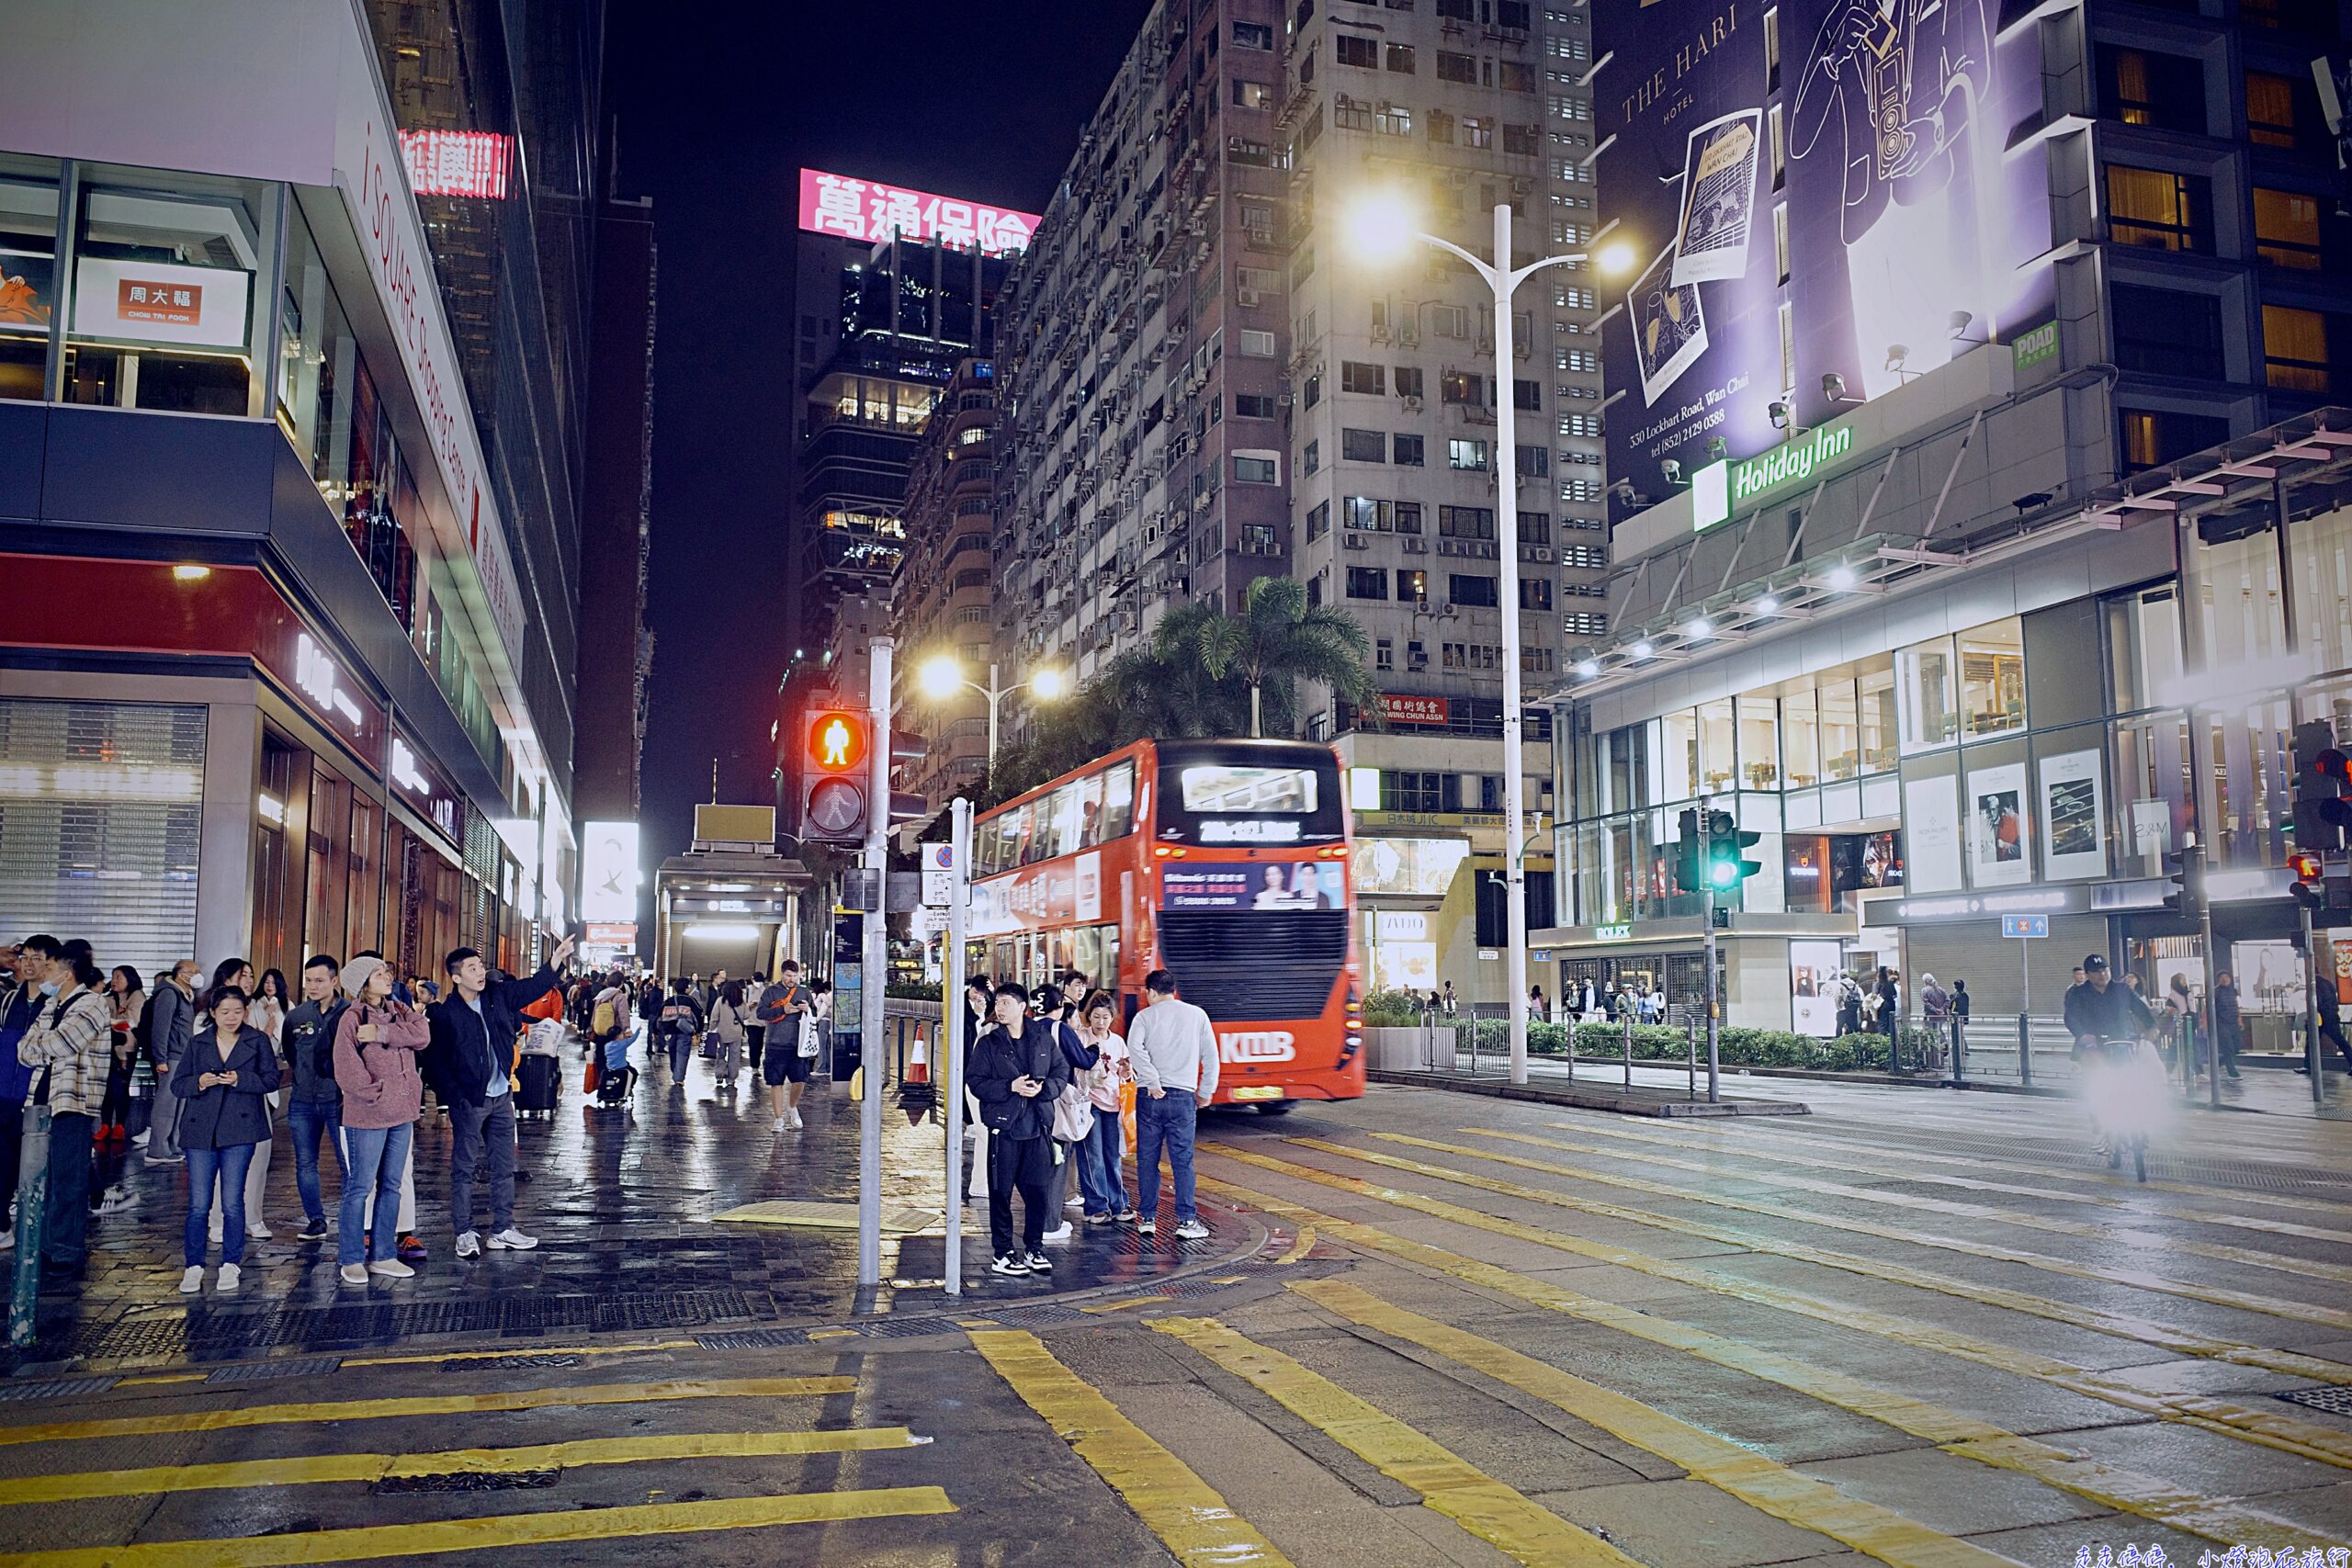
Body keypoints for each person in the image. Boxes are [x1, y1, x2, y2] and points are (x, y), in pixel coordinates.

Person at [424, 936, 571, 1258]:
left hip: (502, 1095)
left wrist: (556, 960)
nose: (480, 972)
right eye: (472, 968)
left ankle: (502, 1228)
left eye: (480, 965)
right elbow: (435, 1062)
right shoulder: (445, 1014)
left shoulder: (498, 996)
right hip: (470, 1100)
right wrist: (454, 1097)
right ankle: (463, 1231)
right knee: (463, 1168)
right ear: (456, 976)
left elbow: (534, 986)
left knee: (503, 1166)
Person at [171, 984, 280, 1293]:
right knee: (198, 1203)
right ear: (213, 1014)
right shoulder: (198, 1043)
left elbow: (272, 1079)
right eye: (224, 1012)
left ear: (245, 1012)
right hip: (200, 1129)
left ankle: (231, 1263)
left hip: (240, 1129)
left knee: (233, 1201)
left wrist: (241, 1079)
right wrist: (200, 1082)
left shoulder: (257, 1040)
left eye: (237, 1011)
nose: (231, 1017)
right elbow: (178, 1085)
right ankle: (193, 1264)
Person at [17, 936, 112, 1279]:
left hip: (73, 1103)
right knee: (42, 1179)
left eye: (51, 967)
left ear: (67, 972)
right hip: (41, 1103)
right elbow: (23, 1049)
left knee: (68, 1181)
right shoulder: (51, 1005)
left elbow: (61, 1042)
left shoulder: (93, 1004)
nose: (44, 972)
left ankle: (66, 1252)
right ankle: (44, 1246)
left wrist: (42, 1045)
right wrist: (43, 1045)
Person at [333, 955, 428, 1282]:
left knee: (392, 1185)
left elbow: (422, 1036)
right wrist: (374, 1093)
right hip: (368, 1115)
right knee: (360, 1186)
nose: (387, 977)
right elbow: (345, 1066)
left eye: (386, 972)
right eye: (378, 973)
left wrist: (383, 1033)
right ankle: (351, 1257)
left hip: (403, 1112)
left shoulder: (399, 1010)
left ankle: (384, 1253)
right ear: (363, 983)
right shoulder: (351, 1018)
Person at [969, 982, 1070, 1274]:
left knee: (1038, 1190)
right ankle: (1002, 1253)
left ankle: (1033, 1248)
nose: (999, 1009)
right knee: (1000, 1192)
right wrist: (1009, 1086)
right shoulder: (990, 1042)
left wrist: (1043, 1090)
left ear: (1022, 1007)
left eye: (1005, 1003)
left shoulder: (1042, 1037)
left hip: (1037, 1125)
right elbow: (975, 1081)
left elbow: (1061, 1071)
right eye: (997, 1003)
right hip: (1005, 1127)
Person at [1125, 968, 1217, 1240]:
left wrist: (1152, 1080)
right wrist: (1207, 1091)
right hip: (1182, 1096)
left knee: (1147, 1159)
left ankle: (1148, 1218)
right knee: (1182, 1162)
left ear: (1151, 992)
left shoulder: (1143, 1017)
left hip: (1150, 1098)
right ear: (1173, 989)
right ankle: (1187, 1221)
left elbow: (1135, 1050)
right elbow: (1210, 1056)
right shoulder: (1196, 1015)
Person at [202, 959, 275, 1243]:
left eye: (251, 975)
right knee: (222, 1163)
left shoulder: (256, 1008)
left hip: (253, 1097)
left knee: (258, 1159)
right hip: (216, 1101)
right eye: (242, 975)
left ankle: (253, 1217)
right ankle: (218, 1219)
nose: (249, 980)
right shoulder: (205, 1018)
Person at [280, 953, 348, 1242]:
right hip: (303, 1099)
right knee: (305, 1162)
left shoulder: (350, 1012)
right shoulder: (297, 1016)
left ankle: (350, 1220)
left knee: (348, 1163)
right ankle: (316, 1219)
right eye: (308, 980)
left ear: (335, 981)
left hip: (339, 1100)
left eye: (319, 980)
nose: (312, 986)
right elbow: (290, 1051)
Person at [2063, 954, 2155, 1151]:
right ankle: (2099, 1128)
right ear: (2088, 975)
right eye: (2096, 972)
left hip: (2122, 1043)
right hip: (2094, 1047)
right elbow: (2071, 1017)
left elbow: (2140, 1008)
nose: (2102, 974)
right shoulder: (2078, 994)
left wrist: (2151, 1027)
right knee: (2094, 1087)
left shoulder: (2122, 990)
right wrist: (2083, 1035)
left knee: (2136, 1083)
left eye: (2105, 970)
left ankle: (2140, 1125)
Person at [1035, 984, 1091, 1242]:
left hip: (1030, 1105)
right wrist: (1096, 1050)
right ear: (1059, 1006)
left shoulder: (1027, 1028)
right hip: (1057, 1104)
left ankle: (1038, 1221)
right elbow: (1084, 1060)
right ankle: (1050, 1224)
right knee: (1057, 1162)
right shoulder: (1059, 1028)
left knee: (1035, 1164)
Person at [1073, 990, 1134, 1223]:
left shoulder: (1117, 1041)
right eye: (1096, 1016)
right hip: (1088, 1104)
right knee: (1092, 1156)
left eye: (1105, 1017)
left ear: (1112, 1017)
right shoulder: (1081, 1037)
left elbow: (1125, 1073)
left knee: (1112, 1156)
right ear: (1089, 1016)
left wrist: (1127, 1071)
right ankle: (1096, 1206)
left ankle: (1118, 1203)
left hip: (1113, 1103)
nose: (1100, 1022)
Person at [0, 943, 41, 1253]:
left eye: (36, 959)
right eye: (24, 958)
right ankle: (3, 1225)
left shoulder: (54, 1002)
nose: (28, 964)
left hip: (34, 1095)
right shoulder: (10, 999)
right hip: (4, 1093)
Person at [143, 958, 198, 1166]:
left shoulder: (186, 996)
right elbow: (161, 1028)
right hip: (171, 1056)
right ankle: (157, 1149)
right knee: (166, 1103)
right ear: (180, 973)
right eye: (192, 971)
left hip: (183, 1057)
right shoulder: (168, 994)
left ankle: (172, 1145)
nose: (196, 974)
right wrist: (161, 1058)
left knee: (179, 1104)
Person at [756, 962, 815, 1130]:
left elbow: (815, 1013)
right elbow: (761, 1013)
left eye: (795, 976)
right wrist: (782, 1010)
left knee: (800, 1080)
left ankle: (792, 1106)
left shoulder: (804, 992)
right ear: (782, 974)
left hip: (799, 1045)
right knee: (776, 1082)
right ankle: (778, 1118)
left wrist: (807, 1009)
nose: (792, 979)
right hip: (776, 1044)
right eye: (789, 976)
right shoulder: (771, 992)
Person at [98, 965, 142, 1150]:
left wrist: (111, 1023)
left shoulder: (137, 996)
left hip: (127, 1049)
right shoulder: (106, 998)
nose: (114, 980)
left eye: (119, 977)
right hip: (106, 1048)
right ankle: (105, 1125)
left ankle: (120, 1126)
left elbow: (132, 1022)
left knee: (121, 1088)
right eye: (113, 977)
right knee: (105, 1088)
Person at [656, 977, 704, 1081]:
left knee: (673, 1053)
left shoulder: (669, 1001)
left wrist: (656, 1031)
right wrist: (699, 1030)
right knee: (682, 1054)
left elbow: (659, 1017)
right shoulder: (691, 1001)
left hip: (669, 1032)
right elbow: (699, 1015)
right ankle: (679, 1078)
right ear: (686, 989)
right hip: (685, 1031)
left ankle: (675, 1073)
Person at [709, 979, 748, 1089]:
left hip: (721, 1034)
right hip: (736, 1034)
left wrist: (711, 1029)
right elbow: (747, 1015)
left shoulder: (720, 1001)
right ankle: (731, 1079)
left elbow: (714, 1017)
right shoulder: (742, 1002)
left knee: (720, 1055)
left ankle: (720, 1075)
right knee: (734, 1057)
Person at [2211, 970, 2242, 1081]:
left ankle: (2215, 1065)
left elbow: (2235, 1005)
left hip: (2233, 1022)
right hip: (2222, 1023)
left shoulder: (2233, 991)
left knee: (2235, 1048)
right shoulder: (2216, 992)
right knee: (2228, 1048)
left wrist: (2239, 1018)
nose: (2225, 979)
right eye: (2222, 977)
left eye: (2227, 977)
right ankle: (2232, 1072)